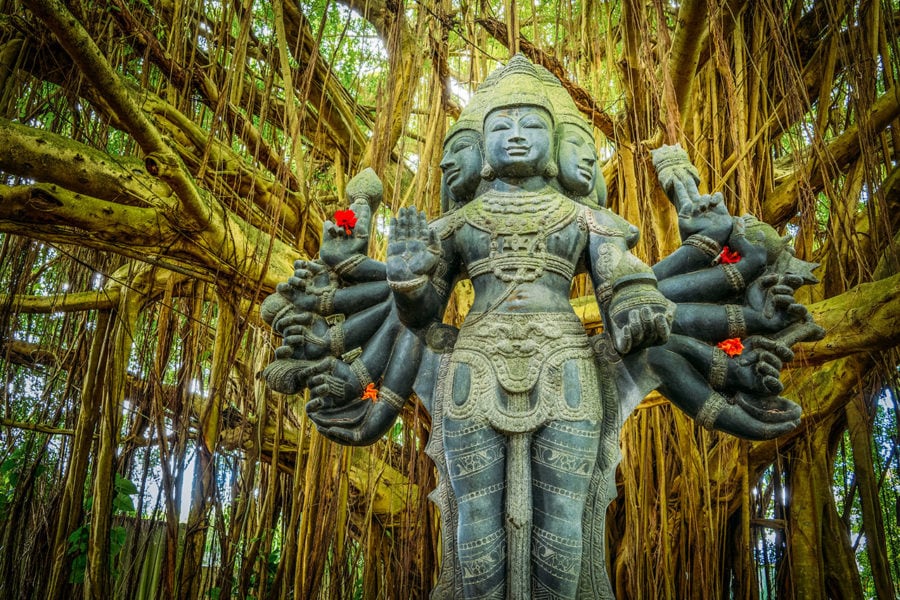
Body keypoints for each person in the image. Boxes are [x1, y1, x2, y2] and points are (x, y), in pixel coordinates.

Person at [385, 56, 672, 598]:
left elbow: (619, 271)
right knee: (476, 525)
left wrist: (636, 301)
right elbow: (423, 315)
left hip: (565, 365)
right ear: (479, 150)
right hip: (474, 367)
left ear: (562, 144)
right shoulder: (456, 224)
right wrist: (406, 281)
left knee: (564, 523)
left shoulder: (582, 217)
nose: (516, 136)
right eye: (501, 127)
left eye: (532, 125)